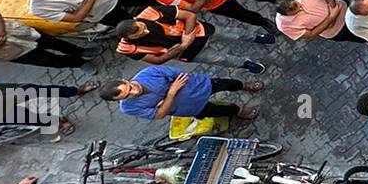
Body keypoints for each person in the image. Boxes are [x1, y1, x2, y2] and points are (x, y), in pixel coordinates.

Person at [101, 67, 262, 123]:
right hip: (190, 108)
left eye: (130, 87)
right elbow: (159, 116)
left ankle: (243, 85)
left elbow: (182, 76)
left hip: (199, 86)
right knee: (218, 110)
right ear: (119, 101)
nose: (134, 92)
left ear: (125, 80)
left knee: (228, 84)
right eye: (127, 95)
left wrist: (163, 103)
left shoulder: (148, 72)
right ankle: (238, 111)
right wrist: (171, 92)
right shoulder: (128, 108)